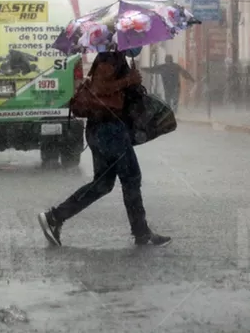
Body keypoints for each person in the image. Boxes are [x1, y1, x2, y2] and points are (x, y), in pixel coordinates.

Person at [38, 51, 171, 247]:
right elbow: (100, 89)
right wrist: (128, 80)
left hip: (103, 129)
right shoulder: (109, 59)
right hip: (109, 130)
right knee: (131, 178)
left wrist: (132, 81)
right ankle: (141, 232)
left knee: (103, 184)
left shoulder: (115, 58)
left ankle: (55, 217)